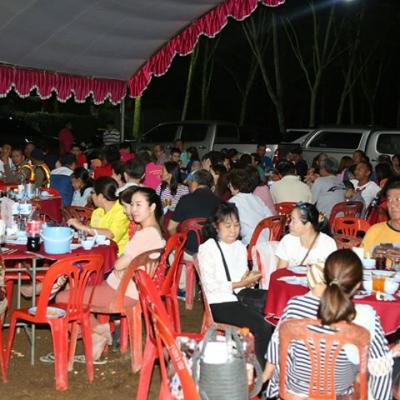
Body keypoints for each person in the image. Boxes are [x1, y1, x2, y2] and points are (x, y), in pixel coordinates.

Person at [263, 249, 393, 399]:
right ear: (358, 285)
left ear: (325, 276)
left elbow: (276, 351)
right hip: (339, 395)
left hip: (293, 394)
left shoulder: (295, 306)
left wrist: (274, 390)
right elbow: (381, 369)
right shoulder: (366, 317)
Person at [59, 186, 165, 361]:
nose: (134, 209)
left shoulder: (145, 234)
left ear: (152, 207)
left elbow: (118, 264)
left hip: (122, 292)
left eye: (139, 205)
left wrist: (121, 266)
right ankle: (100, 330)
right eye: (132, 204)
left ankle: (95, 334)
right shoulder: (154, 231)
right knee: (80, 288)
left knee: (63, 298)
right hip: (128, 288)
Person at [198, 202, 273, 366]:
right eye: (228, 226)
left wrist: (249, 279)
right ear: (216, 226)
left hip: (239, 295)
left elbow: (241, 279)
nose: (233, 230)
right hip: (220, 302)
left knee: (275, 309)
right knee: (263, 327)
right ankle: (262, 375)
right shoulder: (208, 249)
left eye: (236, 225)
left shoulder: (239, 246)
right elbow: (210, 286)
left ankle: (272, 362)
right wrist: (240, 283)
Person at [67, 177, 129, 255]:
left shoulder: (123, 211)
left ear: (100, 197)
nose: (91, 195)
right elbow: (92, 234)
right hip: (98, 252)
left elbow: (110, 235)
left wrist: (81, 226)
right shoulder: (97, 212)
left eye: (92, 192)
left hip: (116, 255)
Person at [168, 169, 221, 255]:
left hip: (188, 252)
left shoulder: (185, 200)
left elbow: (170, 228)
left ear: (195, 183)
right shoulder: (220, 202)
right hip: (213, 252)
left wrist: (179, 245)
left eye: (190, 182)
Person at [276, 202, 337, 268]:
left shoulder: (328, 243)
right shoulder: (287, 240)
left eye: (294, 221)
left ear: (308, 225)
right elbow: (280, 271)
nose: (290, 224)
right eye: (290, 220)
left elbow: (332, 271)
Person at [228, 168, 273, 245]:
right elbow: (271, 218)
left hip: (250, 244)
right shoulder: (257, 198)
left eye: (230, 185)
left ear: (235, 186)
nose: (229, 189)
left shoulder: (232, 202)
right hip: (268, 241)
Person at [362, 179, 400, 254]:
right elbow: (362, 258)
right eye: (389, 200)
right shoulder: (375, 231)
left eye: (398, 199)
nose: (392, 205)